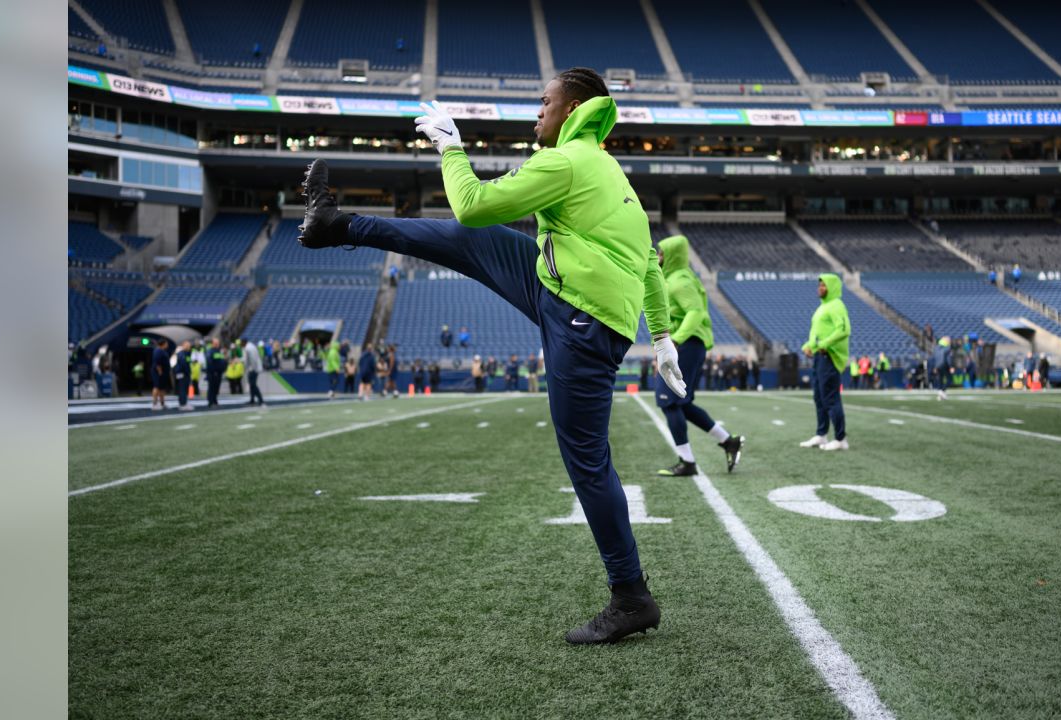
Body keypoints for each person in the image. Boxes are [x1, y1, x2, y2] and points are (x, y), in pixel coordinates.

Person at [296, 67, 684, 644]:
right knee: (470, 243)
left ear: (573, 106)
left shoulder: (566, 162)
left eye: (545, 103)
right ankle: (336, 224)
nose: (538, 113)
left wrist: (451, 148)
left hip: (581, 319)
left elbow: (473, 203)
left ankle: (631, 596)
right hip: (569, 296)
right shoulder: (603, 168)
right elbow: (650, 260)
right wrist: (660, 336)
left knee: (587, 459)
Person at [652, 234, 745, 476]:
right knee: (682, 403)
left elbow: (694, 312)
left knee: (667, 401)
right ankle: (728, 441)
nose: (658, 257)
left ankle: (688, 462)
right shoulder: (676, 278)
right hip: (690, 345)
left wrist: (675, 340)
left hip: (687, 345)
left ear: (671, 255)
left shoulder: (679, 281)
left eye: (661, 253)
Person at [799, 273, 851, 450]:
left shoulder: (836, 305)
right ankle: (822, 435)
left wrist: (824, 344)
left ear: (832, 287)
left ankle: (840, 439)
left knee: (830, 398)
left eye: (824, 285)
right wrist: (808, 345)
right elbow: (818, 334)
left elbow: (844, 330)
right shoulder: (822, 307)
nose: (820, 288)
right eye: (819, 285)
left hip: (830, 357)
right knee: (819, 398)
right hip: (819, 357)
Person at [205, 338, 226, 407]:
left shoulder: (219, 351)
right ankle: (211, 402)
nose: (217, 344)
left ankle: (215, 400)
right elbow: (209, 362)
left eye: (218, 343)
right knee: (212, 388)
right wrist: (213, 371)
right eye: (215, 343)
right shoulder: (210, 351)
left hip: (219, 373)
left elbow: (222, 361)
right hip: (212, 373)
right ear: (212, 344)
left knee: (216, 388)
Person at [149, 339, 170, 411]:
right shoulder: (158, 351)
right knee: (157, 387)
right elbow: (157, 362)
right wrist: (160, 371)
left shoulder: (163, 351)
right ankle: (154, 404)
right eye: (166, 343)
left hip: (163, 372)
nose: (167, 345)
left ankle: (162, 403)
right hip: (158, 372)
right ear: (163, 344)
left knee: (162, 388)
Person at [244, 338, 264, 406]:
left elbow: (252, 359)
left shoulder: (248, 348)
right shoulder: (251, 346)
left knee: (253, 384)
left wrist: (252, 368)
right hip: (254, 368)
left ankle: (260, 399)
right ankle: (252, 399)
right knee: (252, 385)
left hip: (253, 368)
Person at [932, 336, 952, 400]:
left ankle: (940, 395)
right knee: (949, 380)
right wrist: (951, 366)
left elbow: (935, 358)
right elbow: (948, 358)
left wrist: (935, 366)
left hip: (938, 366)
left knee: (940, 380)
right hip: (944, 365)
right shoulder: (947, 348)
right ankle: (942, 391)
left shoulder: (936, 348)